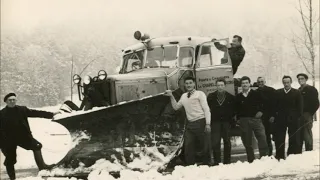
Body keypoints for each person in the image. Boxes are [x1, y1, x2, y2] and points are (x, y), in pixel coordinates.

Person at [0, 93, 60, 180]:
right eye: (10, 100)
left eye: (14, 99)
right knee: (10, 160)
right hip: (8, 140)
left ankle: (42, 167)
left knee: (37, 146)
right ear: (6, 102)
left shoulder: (22, 109)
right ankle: (12, 178)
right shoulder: (1, 114)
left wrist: (51, 114)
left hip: (23, 137)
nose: (12, 101)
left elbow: (36, 113)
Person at [164, 77, 211, 165]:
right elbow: (176, 107)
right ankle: (190, 165)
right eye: (187, 83)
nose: (188, 85)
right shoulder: (183, 96)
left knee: (203, 145)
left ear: (194, 84)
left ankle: (206, 165)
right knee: (188, 145)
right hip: (190, 124)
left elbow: (206, 109)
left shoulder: (200, 94)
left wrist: (208, 124)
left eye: (190, 83)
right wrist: (171, 96)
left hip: (201, 121)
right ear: (185, 85)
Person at [235, 76, 268, 163]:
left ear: (249, 84)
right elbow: (236, 109)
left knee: (262, 137)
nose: (245, 84)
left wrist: (261, 111)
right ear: (241, 85)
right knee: (247, 141)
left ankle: (264, 158)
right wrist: (238, 119)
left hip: (255, 120)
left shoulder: (256, 93)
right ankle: (251, 160)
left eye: (246, 83)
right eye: (243, 83)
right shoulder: (238, 97)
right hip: (244, 120)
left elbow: (264, 104)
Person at [270, 76, 303, 160]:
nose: (286, 84)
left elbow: (300, 107)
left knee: (293, 137)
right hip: (280, 119)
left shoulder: (296, 92)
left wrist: (297, 117)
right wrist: (274, 116)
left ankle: (291, 155)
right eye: (284, 82)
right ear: (283, 83)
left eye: (288, 82)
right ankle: (280, 156)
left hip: (293, 119)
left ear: (291, 82)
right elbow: (274, 106)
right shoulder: (278, 92)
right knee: (280, 138)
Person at [207, 78, 235, 165]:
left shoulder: (230, 97)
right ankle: (217, 161)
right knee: (215, 142)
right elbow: (208, 109)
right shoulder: (211, 96)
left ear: (225, 86)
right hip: (215, 122)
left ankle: (227, 161)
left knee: (227, 141)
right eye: (218, 85)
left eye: (222, 85)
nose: (220, 87)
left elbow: (233, 110)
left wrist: (230, 120)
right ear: (216, 86)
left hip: (226, 122)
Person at [297, 73, 319, 151]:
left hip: (307, 114)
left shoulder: (311, 89)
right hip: (299, 115)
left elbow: (316, 103)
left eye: (302, 78)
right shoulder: (298, 90)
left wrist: (310, 113)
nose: (300, 80)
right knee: (299, 133)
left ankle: (309, 151)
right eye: (299, 79)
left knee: (307, 133)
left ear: (306, 79)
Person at [256, 77, 276, 156]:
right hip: (260, 118)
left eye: (262, 81)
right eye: (259, 82)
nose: (260, 83)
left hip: (270, 117)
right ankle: (266, 154)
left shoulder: (271, 90)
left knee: (271, 136)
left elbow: (275, 104)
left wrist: (273, 115)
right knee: (263, 136)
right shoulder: (255, 92)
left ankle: (272, 153)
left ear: (265, 81)